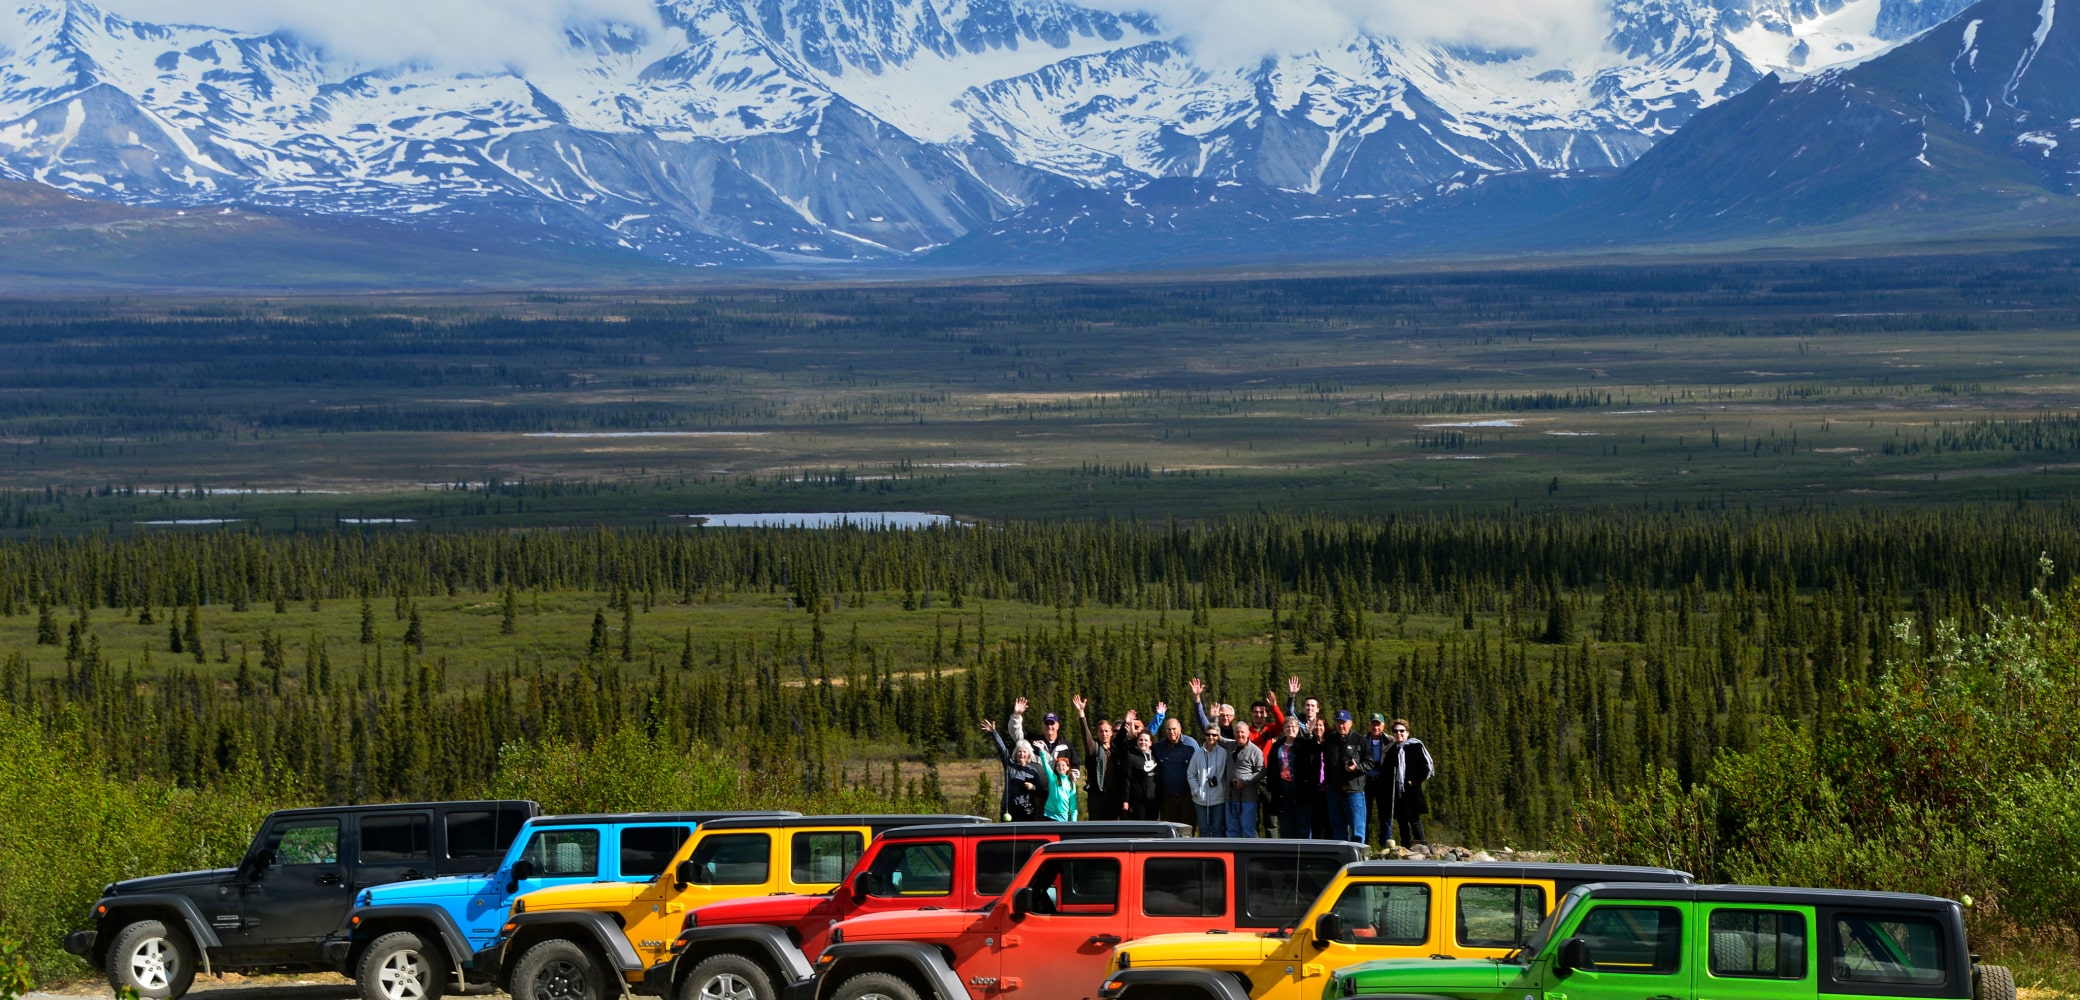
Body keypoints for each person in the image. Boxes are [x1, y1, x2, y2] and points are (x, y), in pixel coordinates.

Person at [982, 719, 1045, 822]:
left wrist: (1032, 787)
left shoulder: (1032, 771)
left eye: (1024, 752)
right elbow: (1002, 749)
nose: (1022, 754)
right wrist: (994, 732)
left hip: (1027, 812)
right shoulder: (1010, 765)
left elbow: (1040, 790)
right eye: (1019, 751)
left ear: (1029, 754)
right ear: (1016, 753)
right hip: (1008, 810)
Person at [1327, 709, 1372, 844]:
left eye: (1344, 722)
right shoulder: (1330, 740)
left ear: (1350, 723)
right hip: (1334, 791)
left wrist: (1356, 768)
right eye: (1339, 722)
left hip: (1354, 792)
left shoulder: (1360, 740)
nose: (1341, 726)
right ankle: (1341, 858)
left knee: (1357, 830)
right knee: (1338, 829)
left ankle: (1359, 859)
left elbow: (1370, 763)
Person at [1071, 694, 1118, 820]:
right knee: (1096, 826)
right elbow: (1085, 735)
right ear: (1097, 733)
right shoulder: (1094, 748)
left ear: (1111, 733)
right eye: (1101, 731)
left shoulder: (1116, 749)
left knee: (1111, 827)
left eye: (1107, 731)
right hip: (1096, 795)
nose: (1104, 734)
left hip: (1113, 795)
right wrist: (1081, 714)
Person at [1390, 719, 1435, 847]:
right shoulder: (1393, 749)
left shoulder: (1415, 746)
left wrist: (1413, 781)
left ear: (1407, 732)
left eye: (1402, 731)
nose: (1399, 733)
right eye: (1396, 731)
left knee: (1414, 819)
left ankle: (1421, 846)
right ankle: (1405, 846)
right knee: (1401, 821)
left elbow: (1426, 767)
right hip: (1398, 790)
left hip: (1412, 790)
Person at [1153, 717, 1198, 827]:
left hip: (1186, 797)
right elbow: (1143, 739)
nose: (1171, 732)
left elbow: (1199, 766)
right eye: (1168, 729)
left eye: (1174, 729)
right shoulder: (1158, 747)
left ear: (1180, 729)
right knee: (1168, 830)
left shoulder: (1191, 744)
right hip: (1167, 798)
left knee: (1186, 829)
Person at [1223, 720, 1264, 838]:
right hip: (1230, 797)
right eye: (1237, 732)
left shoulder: (1255, 751)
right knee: (1231, 831)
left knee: (1248, 831)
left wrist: (1244, 781)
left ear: (1248, 733)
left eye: (1242, 732)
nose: (1239, 735)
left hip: (1248, 798)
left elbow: (1261, 772)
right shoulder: (1230, 745)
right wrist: (1214, 719)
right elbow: (1215, 736)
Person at [1188, 722, 1229, 836]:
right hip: (1200, 800)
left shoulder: (1224, 753)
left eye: (1214, 735)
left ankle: (1219, 853)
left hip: (1219, 799)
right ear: (1204, 735)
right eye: (1208, 734)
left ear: (1218, 737)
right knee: (1203, 829)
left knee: (1217, 829)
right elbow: (1191, 774)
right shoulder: (1197, 754)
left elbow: (1228, 773)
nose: (1211, 737)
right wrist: (1197, 791)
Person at [1009, 697, 1074, 768]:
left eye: (1052, 723)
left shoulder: (1066, 746)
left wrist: (1070, 778)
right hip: (1035, 779)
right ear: (1042, 725)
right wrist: (1016, 715)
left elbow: (1075, 767)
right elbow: (1015, 733)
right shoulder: (1031, 741)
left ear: (1058, 725)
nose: (1049, 726)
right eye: (1046, 723)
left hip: (1058, 779)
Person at [1290, 717, 1328, 838]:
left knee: (1328, 823)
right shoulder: (1307, 744)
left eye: (1321, 725)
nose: (1318, 728)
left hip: (1328, 789)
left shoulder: (1330, 742)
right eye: (1316, 725)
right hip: (1312, 790)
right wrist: (1309, 734)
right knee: (1314, 823)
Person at [1263, 717, 1301, 839]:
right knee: (1285, 823)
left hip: (1299, 788)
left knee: (1301, 822)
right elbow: (1272, 768)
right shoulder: (1277, 746)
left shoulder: (1303, 744)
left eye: (1293, 727)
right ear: (1284, 729)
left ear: (1298, 729)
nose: (1291, 729)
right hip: (1282, 788)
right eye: (1288, 727)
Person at [1363, 714, 1394, 846]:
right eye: (1373, 724)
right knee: (1365, 815)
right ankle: (1364, 844)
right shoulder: (1363, 740)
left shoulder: (1390, 741)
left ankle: (1385, 845)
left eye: (1378, 724)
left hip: (1383, 781)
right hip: (1366, 781)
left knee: (1385, 815)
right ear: (1369, 725)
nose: (1376, 727)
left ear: (1383, 726)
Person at [1119, 730, 1159, 819]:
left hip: (1153, 800)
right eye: (1140, 740)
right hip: (1138, 801)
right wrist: (1125, 800)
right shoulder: (1131, 758)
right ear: (1137, 741)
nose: (1143, 742)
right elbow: (1127, 780)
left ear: (1150, 743)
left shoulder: (1156, 756)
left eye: (1146, 740)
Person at [1042, 751, 1079, 822]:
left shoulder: (1071, 783)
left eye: (1063, 765)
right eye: (1058, 765)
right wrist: (1041, 751)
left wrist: (1074, 822)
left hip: (1063, 816)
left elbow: (1073, 804)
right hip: (1050, 813)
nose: (1060, 767)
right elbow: (1045, 765)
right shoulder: (1052, 777)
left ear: (1068, 768)